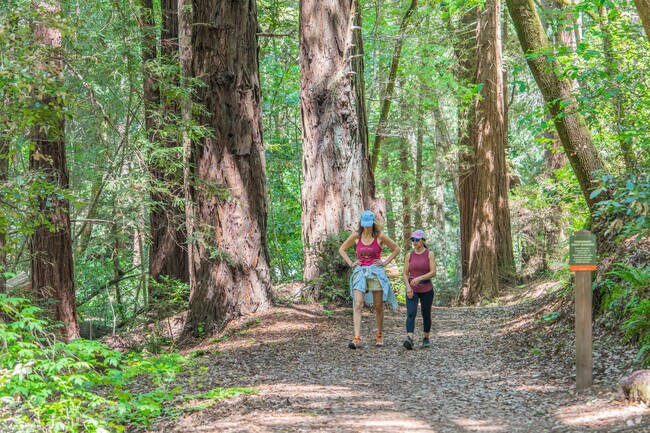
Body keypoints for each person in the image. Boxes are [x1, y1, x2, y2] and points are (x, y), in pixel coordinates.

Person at [339, 210, 400, 349]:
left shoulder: (380, 236)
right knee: (358, 303)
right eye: (364, 224)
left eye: (369, 224)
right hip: (360, 272)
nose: (367, 227)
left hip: (375, 272)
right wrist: (351, 263)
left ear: (373, 223)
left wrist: (385, 262)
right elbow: (342, 249)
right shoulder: (356, 235)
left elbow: (396, 249)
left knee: (378, 306)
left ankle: (379, 334)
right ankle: (356, 337)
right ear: (361, 223)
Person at [402, 229, 437, 350]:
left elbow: (433, 272)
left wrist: (419, 278)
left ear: (422, 240)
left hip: (427, 288)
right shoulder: (409, 255)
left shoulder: (429, 254)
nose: (414, 242)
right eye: (412, 239)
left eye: (417, 239)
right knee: (411, 313)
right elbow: (405, 273)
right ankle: (409, 339)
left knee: (425, 314)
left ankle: (426, 338)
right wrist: (408, 287)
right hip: (413, 289)